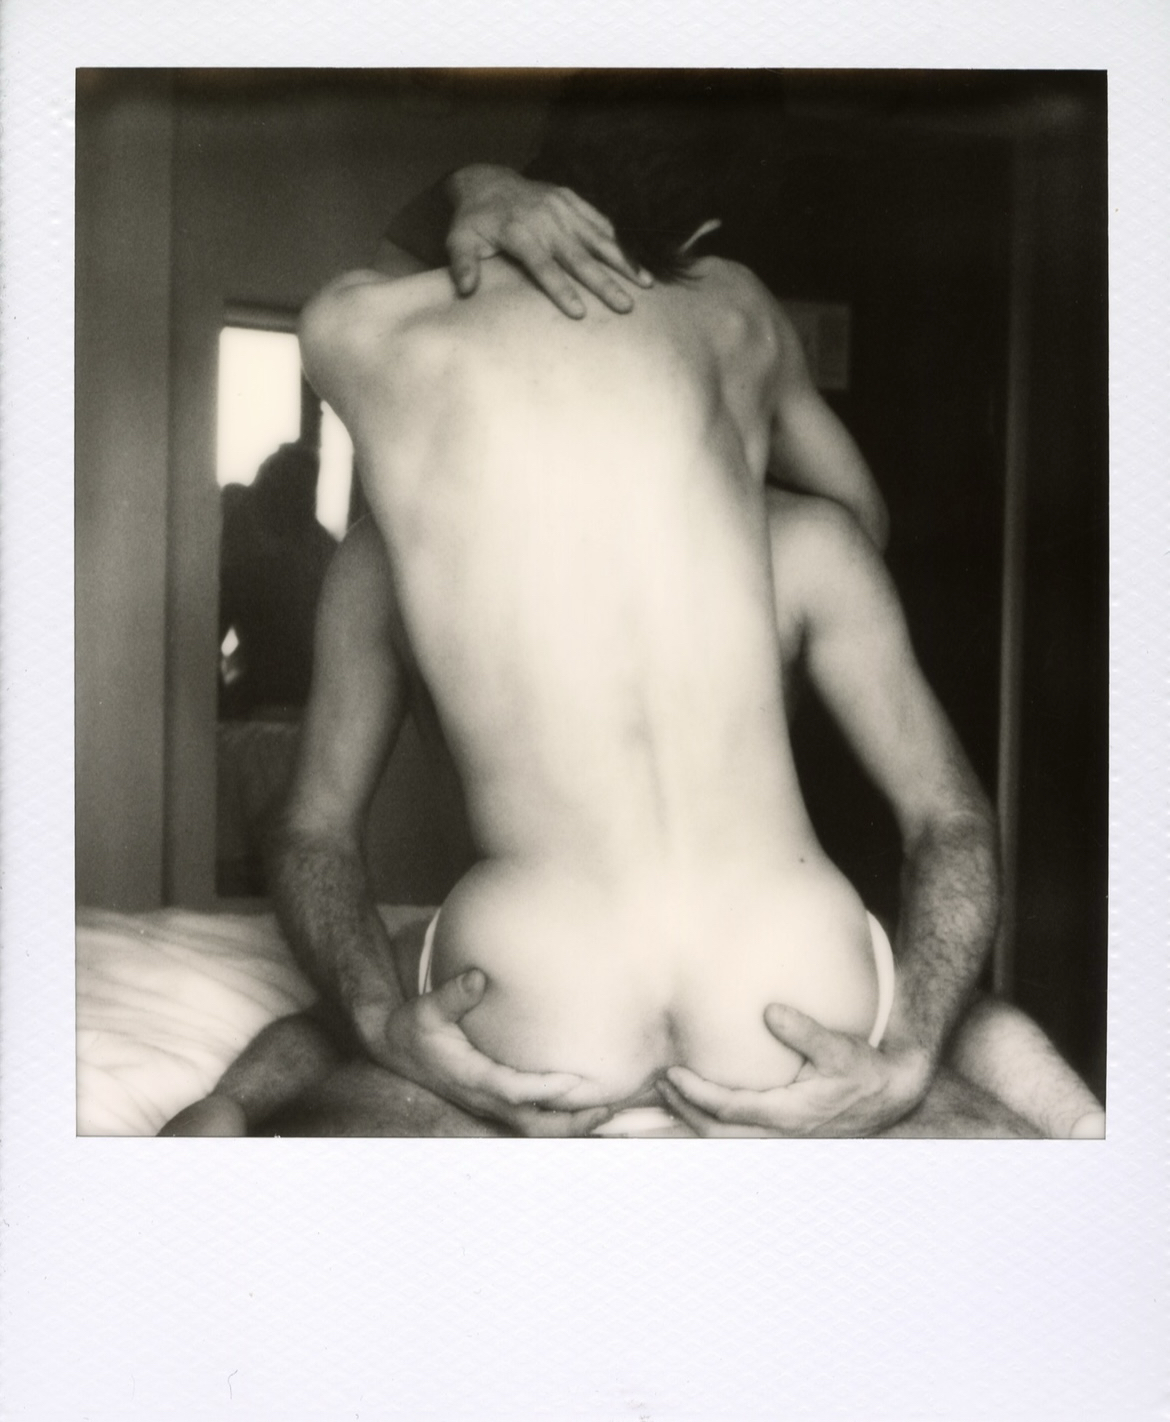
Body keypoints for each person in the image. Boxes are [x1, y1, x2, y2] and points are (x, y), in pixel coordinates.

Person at [162, 120, 1102, 1139]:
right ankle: (1081, 1135)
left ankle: (225, 1107)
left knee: (337, 1016)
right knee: (972, 1018)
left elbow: (311, 833)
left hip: (540, 1006)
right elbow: (952, 821)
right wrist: (908, 1057)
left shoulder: (385, 553)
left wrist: (471, 185)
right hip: (790, 992)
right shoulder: (810, 531)